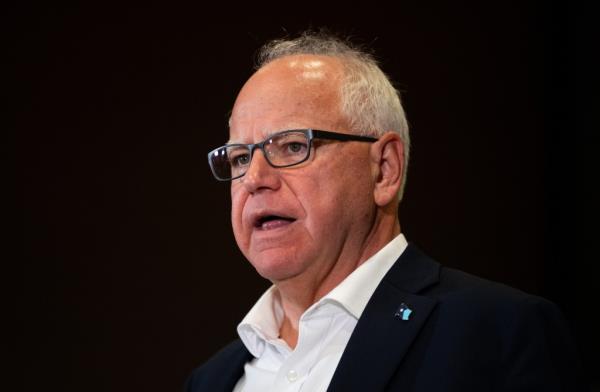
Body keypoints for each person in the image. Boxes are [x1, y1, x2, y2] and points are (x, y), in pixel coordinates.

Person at [186, 31, 585, 391]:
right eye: (239, 158)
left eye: (292, 146)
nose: (254, 178)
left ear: (384, 170)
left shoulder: (498, 334)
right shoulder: (211, 380)